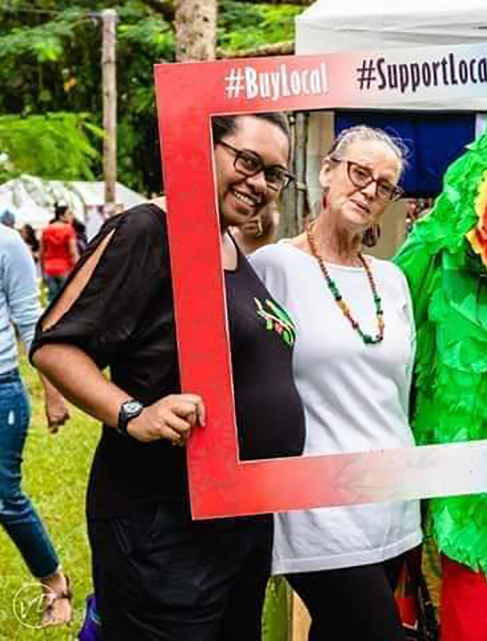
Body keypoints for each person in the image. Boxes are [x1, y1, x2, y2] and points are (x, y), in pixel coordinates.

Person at [31, 112, 305, 639]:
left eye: (274, 174)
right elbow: (56, 345)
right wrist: (133, 414)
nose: (259, 184)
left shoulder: (229, 247)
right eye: (248, 161)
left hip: (237, 522)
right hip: (163, 524)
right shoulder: (149, 228)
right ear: (202, 148)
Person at [250, 125, 420, 641]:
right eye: (359, 173)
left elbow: (399, 394)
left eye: (384, 184)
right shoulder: (273, 267)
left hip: (393, 503)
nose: (369, 190)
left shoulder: (392, 280)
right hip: (317, 506)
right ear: (327, 171)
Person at [0, 222, 73, 626]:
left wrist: (53, 392)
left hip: (2, 389)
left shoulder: (8, 243)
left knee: (3, 495)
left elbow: (31, 323)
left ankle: (54, 581)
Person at [39, 204, 79, 301]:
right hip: (65, 269)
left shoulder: (46, 230)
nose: (72, 216)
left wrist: (42, 270)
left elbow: (41, 252)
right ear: (61, 216)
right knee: (65, 300)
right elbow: (73, 252)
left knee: (52, 300)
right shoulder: (69, 229)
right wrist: (79, 268)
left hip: (49, 270)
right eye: (69, 214)